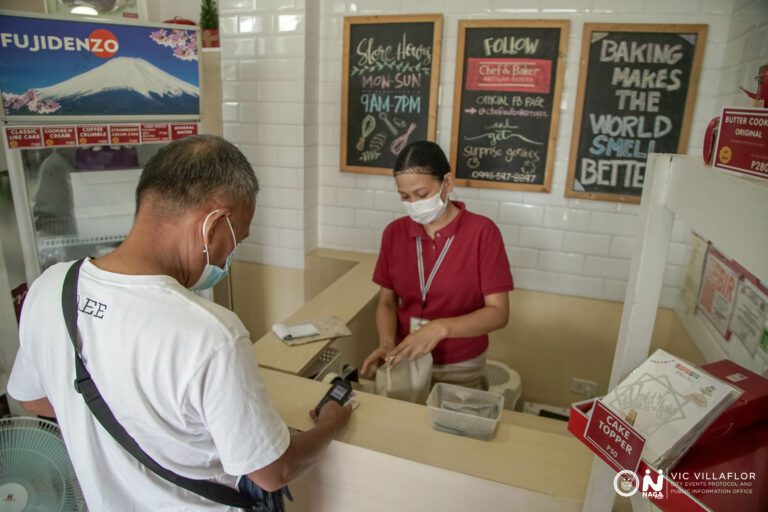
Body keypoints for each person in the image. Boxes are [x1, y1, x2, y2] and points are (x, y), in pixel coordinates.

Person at [8, 135, 352, 510]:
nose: (230, 255)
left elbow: (32, 398)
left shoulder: (50, 287)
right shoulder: (211, 334)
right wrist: (330, 423)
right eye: (237, 239)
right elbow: (273, 471)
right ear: (213, 224)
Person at [361, 140, 514, 391]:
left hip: (460, 367)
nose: (414, 204)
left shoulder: (482, 232)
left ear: (448, 183)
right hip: (405, 357)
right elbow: (387, 302)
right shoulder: (394, 233)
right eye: (405, 197)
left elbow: (498, 313)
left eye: (422, 195)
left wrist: (439, 328)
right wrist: (387, 344)